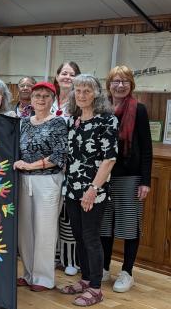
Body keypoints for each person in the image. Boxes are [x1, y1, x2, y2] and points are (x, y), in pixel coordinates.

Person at [60, 74, 117, 307]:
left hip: (94, 190)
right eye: (78, 91)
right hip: (72, 189)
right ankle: (85, 279)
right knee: (79, 237)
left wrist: (93, 189)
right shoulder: (74, 120)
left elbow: (109, 159)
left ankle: (96, 289)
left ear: (97, 94)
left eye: (87, 90)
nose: (82, 95)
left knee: (92, 238)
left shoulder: (107, 120)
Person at [100, 66, 152, 292]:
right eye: (115, 81)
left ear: (131, 85)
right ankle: (103, 267)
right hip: (103, 175)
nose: (120, 86)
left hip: (130, 176)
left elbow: (147, 148)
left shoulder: (138, 109)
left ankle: (127, 272)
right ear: (108, 84)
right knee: (104, 225)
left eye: (125, 82)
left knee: (129, 226)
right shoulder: (101, 108)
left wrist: (145, 181)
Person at [14, 82, 67, 292]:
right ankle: (28, 274)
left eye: (46, 96)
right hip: (24, 180)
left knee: (44, 230)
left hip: (47, 180)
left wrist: (31, 165)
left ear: (52, 99)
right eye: (37, 96)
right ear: (31, 99)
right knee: (25, 230)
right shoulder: (24, 123)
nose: (41, 99)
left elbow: (59, 155)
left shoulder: (58, 123)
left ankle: (44, 278)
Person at [54, 61, 82, 276]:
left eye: (71, 74)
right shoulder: (49, 99)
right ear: (57, 76)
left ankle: (70, 259)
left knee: (67, 214)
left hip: (70, 166)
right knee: (51, 214)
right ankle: (54, 255)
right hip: (48, 166)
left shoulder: (78, 103)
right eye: (63, 73)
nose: (67, 77)